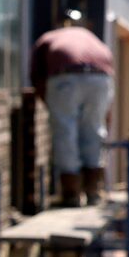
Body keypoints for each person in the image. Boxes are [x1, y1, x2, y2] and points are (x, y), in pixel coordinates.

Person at [29, 10, 113, 208]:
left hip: (66, 76)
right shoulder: (92, 38)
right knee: (93, 129)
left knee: (65, 131)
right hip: (101, 79)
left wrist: (49, 103)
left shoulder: (50, 37)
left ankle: (71, 194)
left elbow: (36, 75)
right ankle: (93, 191)